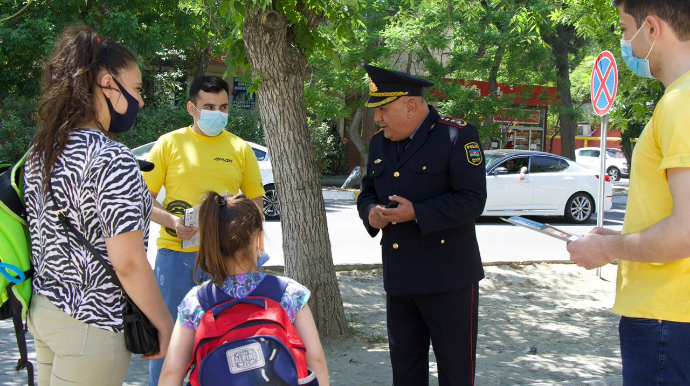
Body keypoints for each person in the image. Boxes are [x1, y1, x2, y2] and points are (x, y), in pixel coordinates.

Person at [23, 25, 174, 385]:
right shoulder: (112, 158)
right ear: (107, 84)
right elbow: (127, 261)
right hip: (92, 322)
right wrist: (165, 324)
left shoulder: (42, 151)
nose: (140, 101)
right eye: (136, 89)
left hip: (45, 311)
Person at [567, 1, 690, 384]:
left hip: (666, 317)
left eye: (625, 28)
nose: (624, 41)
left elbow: (685, 233)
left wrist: (608, 249)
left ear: (652, 29)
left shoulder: (679, 103)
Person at [356, 64, 487, 385]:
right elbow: (367, 191)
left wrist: (417, 212)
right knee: (406, 372)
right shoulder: (379, 142)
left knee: (455, 373)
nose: (378, 118)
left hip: (449, 281)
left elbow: (473, 200)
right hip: (400, 279)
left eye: (384, 110)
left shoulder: (457, 135)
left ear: (411, 106)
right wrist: (370, 211)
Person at [144, 75, 265, 385]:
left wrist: (250, 248)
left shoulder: (239, 148)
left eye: (223, 107)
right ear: (191, 108)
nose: (217, 113)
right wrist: (172, 222)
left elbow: (255, 205)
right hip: (175, 259)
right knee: (171, 338)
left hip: (226, 260)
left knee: (226, 338)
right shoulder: (169, 143)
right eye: (208, 106)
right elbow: (142, 198)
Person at [158, 193, 329, 385]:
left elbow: (172, 370)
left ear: (210, 243)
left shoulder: (196, 302)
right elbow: (315, 360)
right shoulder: (289, 294)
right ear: (259, 240)